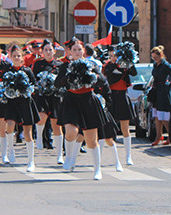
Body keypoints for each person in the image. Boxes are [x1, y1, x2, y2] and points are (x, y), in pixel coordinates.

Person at [56, 38, 111, 179]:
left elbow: (102, 81)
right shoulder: (65, 66)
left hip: (88, 100)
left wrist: (91, 77)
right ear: (69, 52)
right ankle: (68, 157)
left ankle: (97, 170)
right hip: (71, 101)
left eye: (79, 49)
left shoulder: (91, 65)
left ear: (83, 51)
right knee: (71, 132)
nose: (77, 52)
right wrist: (69, 78)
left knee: (92, 140)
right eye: (74, 50)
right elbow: (57, 83)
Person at [103, 46, 135, 167]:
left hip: (122, 96)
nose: (113, 58)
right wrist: (121, 68)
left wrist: (128, 61)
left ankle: (128, 157)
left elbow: (134, 72)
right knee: (107, 127)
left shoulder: (124, 64)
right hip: (111, 98)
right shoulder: (108, 66)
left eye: (115, 55)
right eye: (111, 56)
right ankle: (106, 156)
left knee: (125, 128)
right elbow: (112, 76)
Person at [148, 45, 171, 147]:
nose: (154, 60)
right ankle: (158, 136)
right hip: (156, 90)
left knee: (164, 116)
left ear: (160, 55)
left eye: (156, 57)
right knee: (156, 115)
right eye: (153, 58)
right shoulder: (155, 65)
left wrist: (170, 85)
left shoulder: (166, 65)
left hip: (164, 92)